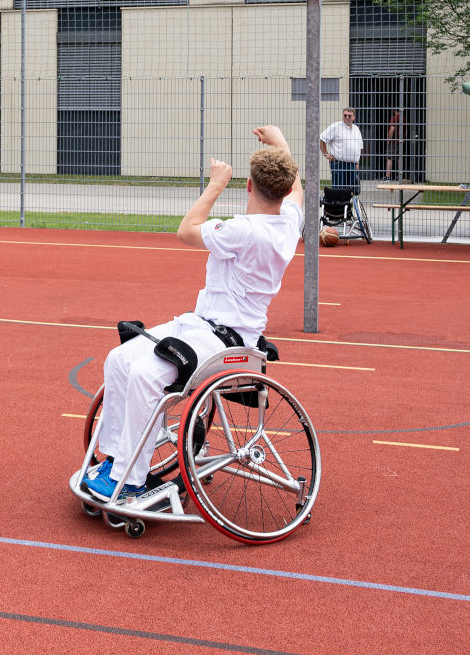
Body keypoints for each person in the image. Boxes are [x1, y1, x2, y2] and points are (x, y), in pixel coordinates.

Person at [83, 125, 303, 501]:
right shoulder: (288, 222)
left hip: (226, 342)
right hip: (203, 326)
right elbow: (298, 187)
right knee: (119, 358)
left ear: (248, 186)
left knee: (144, 374)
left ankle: (129, 479)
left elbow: (186, 230)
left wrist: (217, 183)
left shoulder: (244, 230)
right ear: (283, 190)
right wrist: (280, 142)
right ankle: (118, 458)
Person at [319, 107, 363, 193]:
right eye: (345, 115)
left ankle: (347, 206)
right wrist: (325, 154)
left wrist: (357, 162)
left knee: (350, 191)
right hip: (338, 163)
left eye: (349, 116)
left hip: (352, 165)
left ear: (354, 117)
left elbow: (359, 147)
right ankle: (337, 206)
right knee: (338, 190)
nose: (346, 117)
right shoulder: (335, 126)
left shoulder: (356, 129)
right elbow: (322, 139)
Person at [383, 109, 402, 181]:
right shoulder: (403, 119)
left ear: (394, 111)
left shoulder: (394, 118)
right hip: (400, 141)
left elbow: (392, 129)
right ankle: (400, 176)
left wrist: (388, 140)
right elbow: (406, 131)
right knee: (399, 158)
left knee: (389, 158)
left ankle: (387, 177)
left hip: (393, 141)